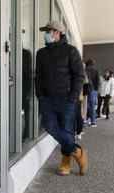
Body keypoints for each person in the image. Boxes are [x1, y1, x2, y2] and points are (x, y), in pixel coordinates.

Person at [36, 21, 87, 176]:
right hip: (47, 99)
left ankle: (66, 162)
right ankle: (77, 151)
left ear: (58, 32)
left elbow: (79, 76)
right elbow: (38, 76)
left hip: (66, 99)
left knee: (66, 129)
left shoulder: (71, 51)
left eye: (48, 31)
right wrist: (40, 94)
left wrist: (73, 97)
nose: (46, 34)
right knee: (49, 126)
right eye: (46, 31)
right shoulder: (41, 53)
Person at [85, 59, 99, 127]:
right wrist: (96, 90)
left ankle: (85, 119)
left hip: (85, 89)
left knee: (85, 105)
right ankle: (93, 122)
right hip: (93, 90)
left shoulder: (85, 70)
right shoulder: (95, 70)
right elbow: (97, 81)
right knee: (92, 106)